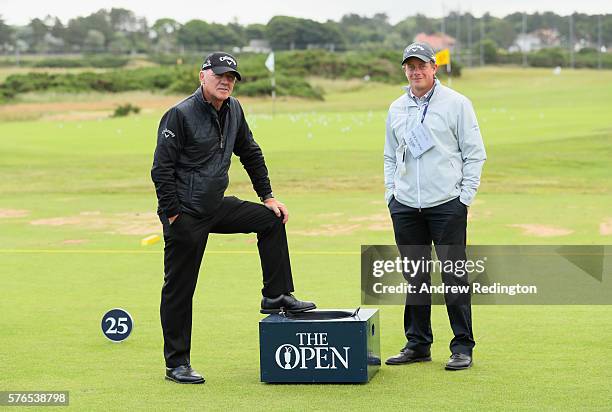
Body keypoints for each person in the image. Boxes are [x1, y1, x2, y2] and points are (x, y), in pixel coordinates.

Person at [151, 52, 316, 384]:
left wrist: (267, 196)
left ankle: (276, 294)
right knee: (180, 290)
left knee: (270, 220)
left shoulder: (234, 110)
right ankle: (177, 364)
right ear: (202, 76)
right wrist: (172, 215)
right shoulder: (179, 115)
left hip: (215, 206)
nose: (226, 81)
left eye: (231, 77)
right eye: (220, 75)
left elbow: (250, 151)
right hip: (185, 214)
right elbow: (161, 170)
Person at [383, 42, 486, 370]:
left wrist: (463, 198)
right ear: (405, 70)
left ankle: (462, 346)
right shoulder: (397, 108)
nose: (416, 71)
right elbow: (389, 154)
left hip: (446, 204)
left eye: (422, 65)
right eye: (410, 66)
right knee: (415, 276)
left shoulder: (456, 103)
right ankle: (418, 343)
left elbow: (474, 153)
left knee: (453, 276)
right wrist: (391, 194)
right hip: (405, 205)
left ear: (434, 67)